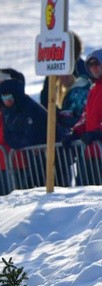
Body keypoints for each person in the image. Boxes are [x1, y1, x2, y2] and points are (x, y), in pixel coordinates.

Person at [61, 49, 102, 186]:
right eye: (91, 65)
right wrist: (75, 133)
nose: (94, 68)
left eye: (97, 63)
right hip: (91, 153)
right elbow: (86, 116)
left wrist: (97, 133)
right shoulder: (93, 89)